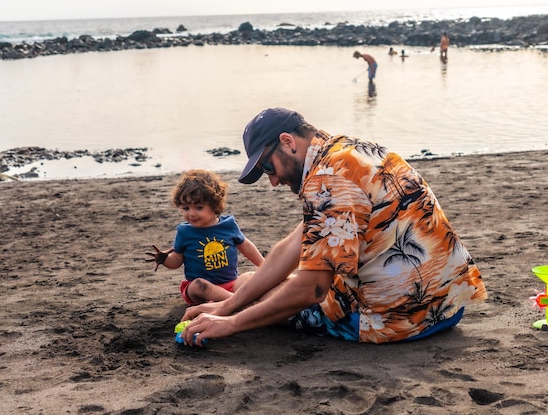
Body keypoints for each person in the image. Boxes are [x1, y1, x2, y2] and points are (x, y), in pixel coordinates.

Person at [180, 107, 487, 345]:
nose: (272, 181)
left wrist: (231, 321)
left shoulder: (328, 180)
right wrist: (228, 305)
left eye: (267, 167)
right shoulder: (349, 152)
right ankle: (227, 301)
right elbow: (292, 245)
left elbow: (312, 290)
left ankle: (227, 304)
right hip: (446, 305)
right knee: (251, 283)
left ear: (287, 142)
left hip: (400, 319)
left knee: (256, 287)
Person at [146, 169, 264, 305]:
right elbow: (177, 260)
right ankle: (235, 302)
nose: (191, 214)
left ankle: (226, 301)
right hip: (200, 290)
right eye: (185, 208)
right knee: (199, 284)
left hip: (230, 284)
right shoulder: (184, 232)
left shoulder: (228, 226)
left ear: (214, 205)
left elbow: (246, 246)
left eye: (199, 207)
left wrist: (263, 265)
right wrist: (165, 259)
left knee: (249, 276)